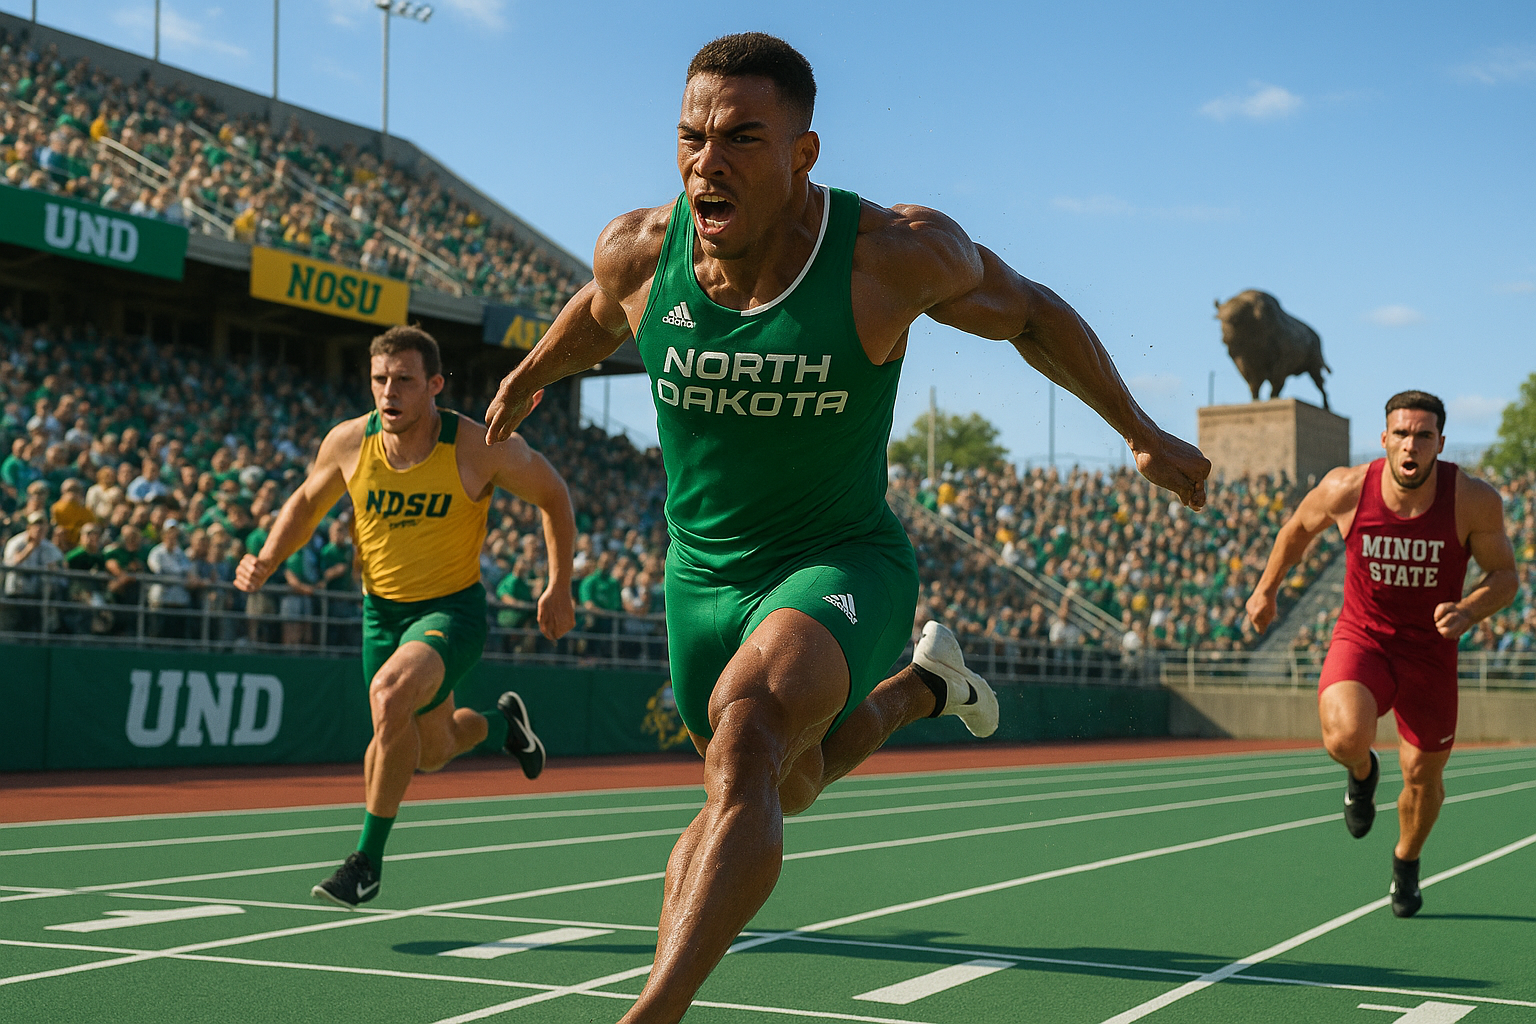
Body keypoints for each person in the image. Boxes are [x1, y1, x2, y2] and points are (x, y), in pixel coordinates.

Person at [483, 33, 1209, 1022]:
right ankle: (923, 689)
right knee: (791, 777)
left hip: (839, 560)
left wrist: (1140, 429)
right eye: (692, 136)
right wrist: (527, 378)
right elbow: (599, 313)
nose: (708, 160)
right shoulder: (642, 251)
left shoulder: (890, 254)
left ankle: (651, 1010)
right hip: (701, 578)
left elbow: (1030, 311)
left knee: (747, 746)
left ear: (803, 155)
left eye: (742, 136)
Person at [236, 324, 577, 908]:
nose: (389, 392)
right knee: (433, 750)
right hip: (381, 615)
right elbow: (307, 501)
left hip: (452, 612)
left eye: (404, 381)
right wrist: (266, 558)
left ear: (435, 386)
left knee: (390, 695)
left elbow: (554, 496)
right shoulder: (348, 442)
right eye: (379, 380)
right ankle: (504, 727)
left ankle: (364, 863)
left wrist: (559, 585)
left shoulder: (477, 445)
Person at [1246, 391, 1516, 918]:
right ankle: (1362, 773)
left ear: (1440, 442)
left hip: (1431, 656)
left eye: (1422, 435)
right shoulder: (1347, 488)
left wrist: (1470, 610)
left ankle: (1405, 861)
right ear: (1384, 439)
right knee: (1345, 735)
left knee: (1423, 778)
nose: (1410, 444)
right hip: (1363, 639)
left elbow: (1505, 577)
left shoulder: (1472, 499)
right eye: (1401, 433)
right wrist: (1266, 589)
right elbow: (1297, 531)